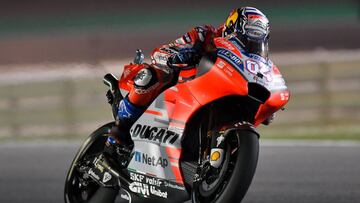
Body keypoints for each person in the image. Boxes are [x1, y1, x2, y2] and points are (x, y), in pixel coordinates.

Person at [104, 7, 271, 167]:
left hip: (212, 95)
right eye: (246, 37)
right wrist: (178, 55)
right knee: (151, 75)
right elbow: (162, 52)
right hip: (181, 87)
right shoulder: (205, 35)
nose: (250, 44)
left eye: (256, 40)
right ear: (232, 27)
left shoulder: (254, 61)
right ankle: (118, 132)